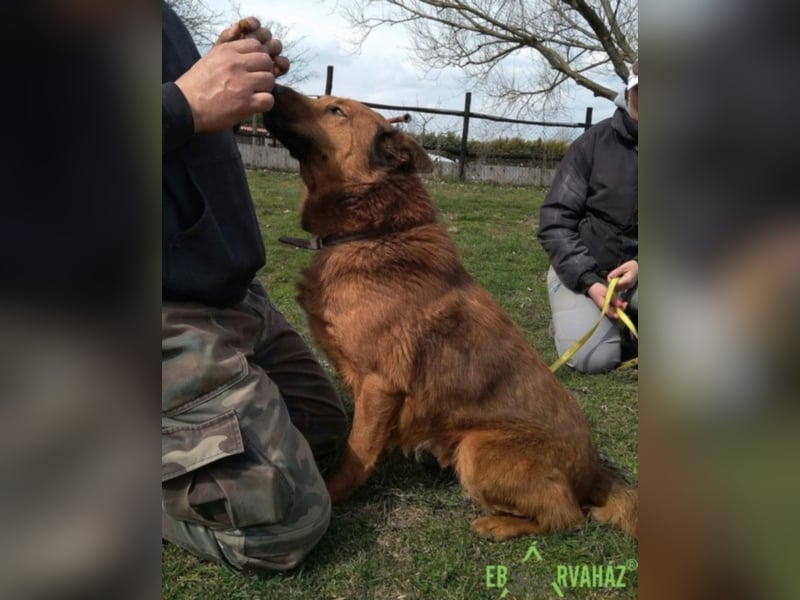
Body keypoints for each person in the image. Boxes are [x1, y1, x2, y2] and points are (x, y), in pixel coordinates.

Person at [161, 3, 348, 572]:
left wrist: (226, 74)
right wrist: (181, 104)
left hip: (228, 287)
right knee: (282, 528)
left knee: (324, 431)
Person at [538, 62, 638, 373]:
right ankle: (573, 318)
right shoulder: (590, 146)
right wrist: (590, 281)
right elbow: (555, 222)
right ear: (628, 94)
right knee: (593, 360)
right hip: (586, 270)